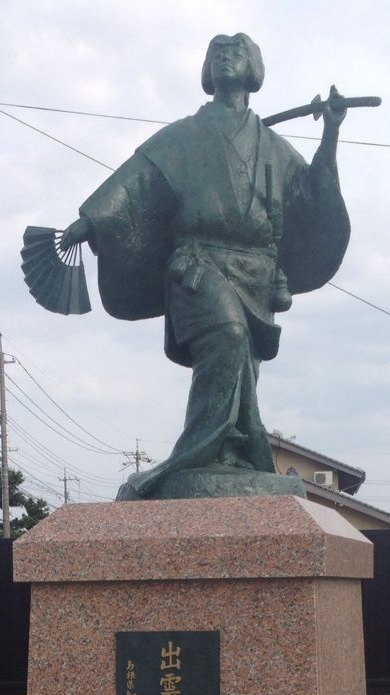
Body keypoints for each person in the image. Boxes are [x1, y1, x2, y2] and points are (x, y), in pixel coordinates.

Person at [59, 33, 351, 500]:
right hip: (198, 264)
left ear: (253, 69)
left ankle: (232, 454)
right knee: (228, 337)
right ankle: (189, 459)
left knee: (244, 370)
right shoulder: (183, 136)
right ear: (206, 70)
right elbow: (136, 180)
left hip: (257, 270)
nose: (225, 58)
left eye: (235, 52)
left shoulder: (271, 145)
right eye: (217, 53)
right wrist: (89, 222)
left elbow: (311, 196)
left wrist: (330, 132)